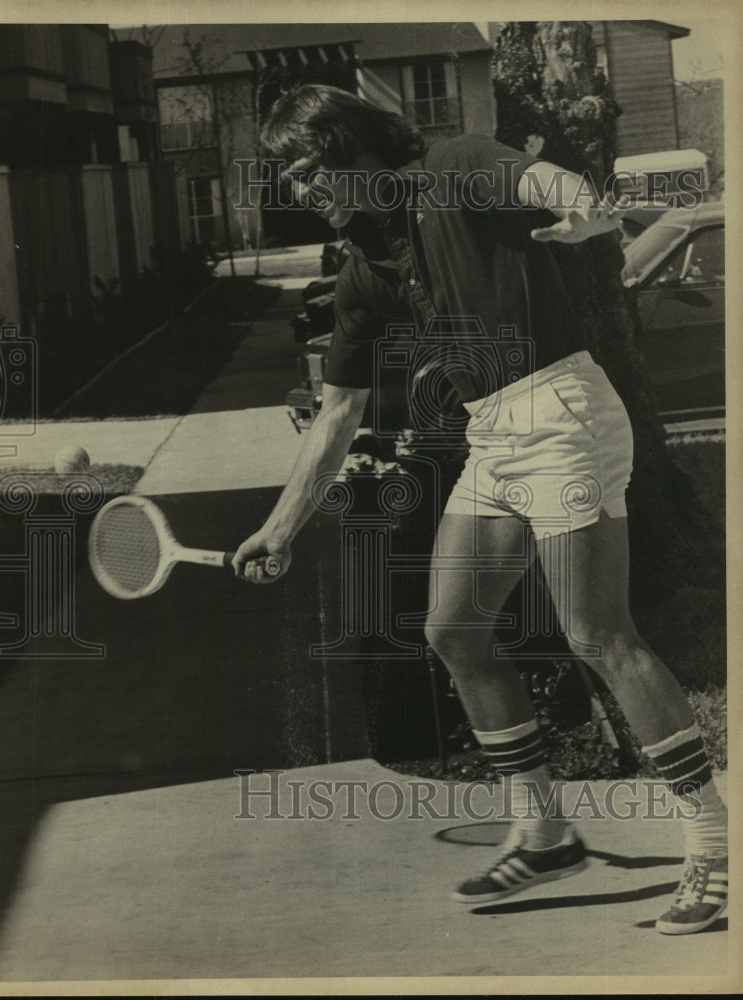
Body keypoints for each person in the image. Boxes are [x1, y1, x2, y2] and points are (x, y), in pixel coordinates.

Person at [232, 84, 727, 935]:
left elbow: (554, 187)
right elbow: (337, 416)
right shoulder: (363, 270)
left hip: (562, 411)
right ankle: (543, 831)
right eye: (288, 178)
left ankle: (714, 844)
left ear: (351, 147)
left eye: (308, 169)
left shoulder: (453, 167)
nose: (302, 189)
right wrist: (279, 527)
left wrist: (587, 217)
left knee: (596, 634)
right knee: (454, 630)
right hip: (492, 435)